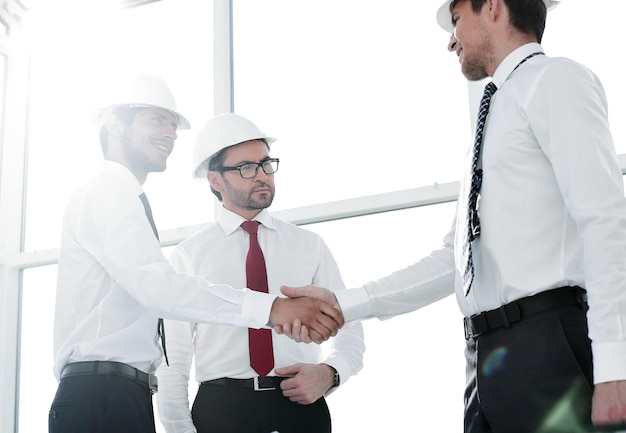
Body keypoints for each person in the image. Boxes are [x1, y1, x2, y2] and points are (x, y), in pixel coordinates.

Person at [280, 1, 626, 432]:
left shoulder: (556, 80)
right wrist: (346, 302)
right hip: (486, 361)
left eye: (457, 20)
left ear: (494, 8)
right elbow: (456, 259)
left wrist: (615, 364)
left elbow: (605, 218)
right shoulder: (492, 120)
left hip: (549, 347)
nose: (450, 41)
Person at [48, 74, 343, 433]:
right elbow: (160, 289)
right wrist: (271, 308)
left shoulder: (125, 199)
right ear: (114, 124)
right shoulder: (108, 195)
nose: (171, 133)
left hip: (122, 392)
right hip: (104, 393)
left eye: (173, 125)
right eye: (157, 119)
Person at [154, 113, 365, 433]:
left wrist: (330, 373)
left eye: (266, 164)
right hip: (221, 410)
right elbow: (173, 363)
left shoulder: (309, 245)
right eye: (246, 168)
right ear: (215, 180)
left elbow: (350, 328)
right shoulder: (189, 255)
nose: (262, 175)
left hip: (300, 405)